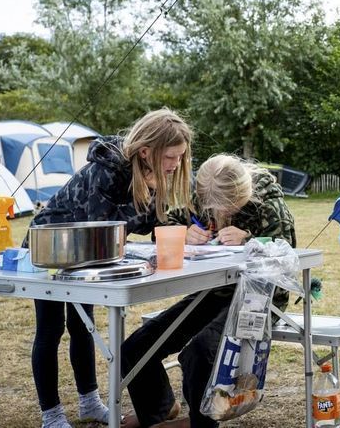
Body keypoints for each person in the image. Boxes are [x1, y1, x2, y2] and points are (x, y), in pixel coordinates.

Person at [28, 108, 194, 428]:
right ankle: (52, 416)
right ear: (146, 151)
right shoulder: (108, 171)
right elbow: (100, 228)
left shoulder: (151, 172)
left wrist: (171, 217)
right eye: (171, 157)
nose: (175, 164)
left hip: (86, 255)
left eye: (179, 157)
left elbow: (146, 226)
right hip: (49, 247)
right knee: (51, 329)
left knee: (82, 324)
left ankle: (90, 403)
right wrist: (142, 199)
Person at [121, 154, 296, 428]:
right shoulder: (201, 194)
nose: (220, 214)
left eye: (228, 208)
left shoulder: (269, 205)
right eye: (213, 208)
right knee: (136, 347)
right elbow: (164, 226)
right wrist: (184, 231)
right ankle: (160, 411)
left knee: (200, 351)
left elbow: (287, 257)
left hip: (259, 298)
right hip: (211, 291)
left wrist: (250, 240)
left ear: (243, 193)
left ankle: (198, 423)